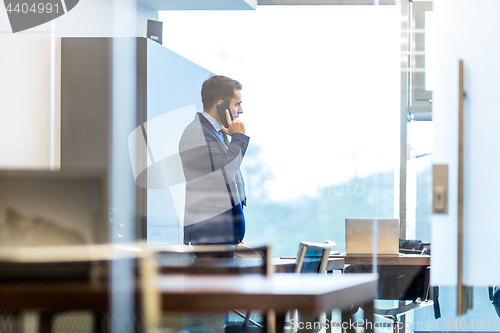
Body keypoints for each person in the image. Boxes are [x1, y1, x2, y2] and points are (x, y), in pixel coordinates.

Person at [179, 75, 249, 246]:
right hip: (212, 236)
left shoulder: (215, 132)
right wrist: (239, 138)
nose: (240, 111)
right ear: (221, 104)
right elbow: (224, 173)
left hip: (222, 236)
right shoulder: (198, 133)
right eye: (237, 104)